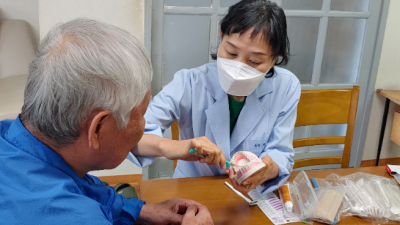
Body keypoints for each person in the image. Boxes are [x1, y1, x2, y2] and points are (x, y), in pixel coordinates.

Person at [0, 18, 214, 225]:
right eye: (140, 115)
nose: (143, 126)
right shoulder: (76, 217)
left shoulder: (13, 139)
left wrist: (140, 211)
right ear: (98, 128)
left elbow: (85, 189)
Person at [129, 0, 300, 195]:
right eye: (231, 52)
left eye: (254, 61)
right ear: (221, 38)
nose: (238, 67)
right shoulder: (190, 83)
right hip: (192, 189)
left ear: (274, 61)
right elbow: (131, 137)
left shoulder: (285, 87)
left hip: (250, 195)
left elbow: (281, 152)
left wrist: (267, 169)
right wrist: (170, 147)